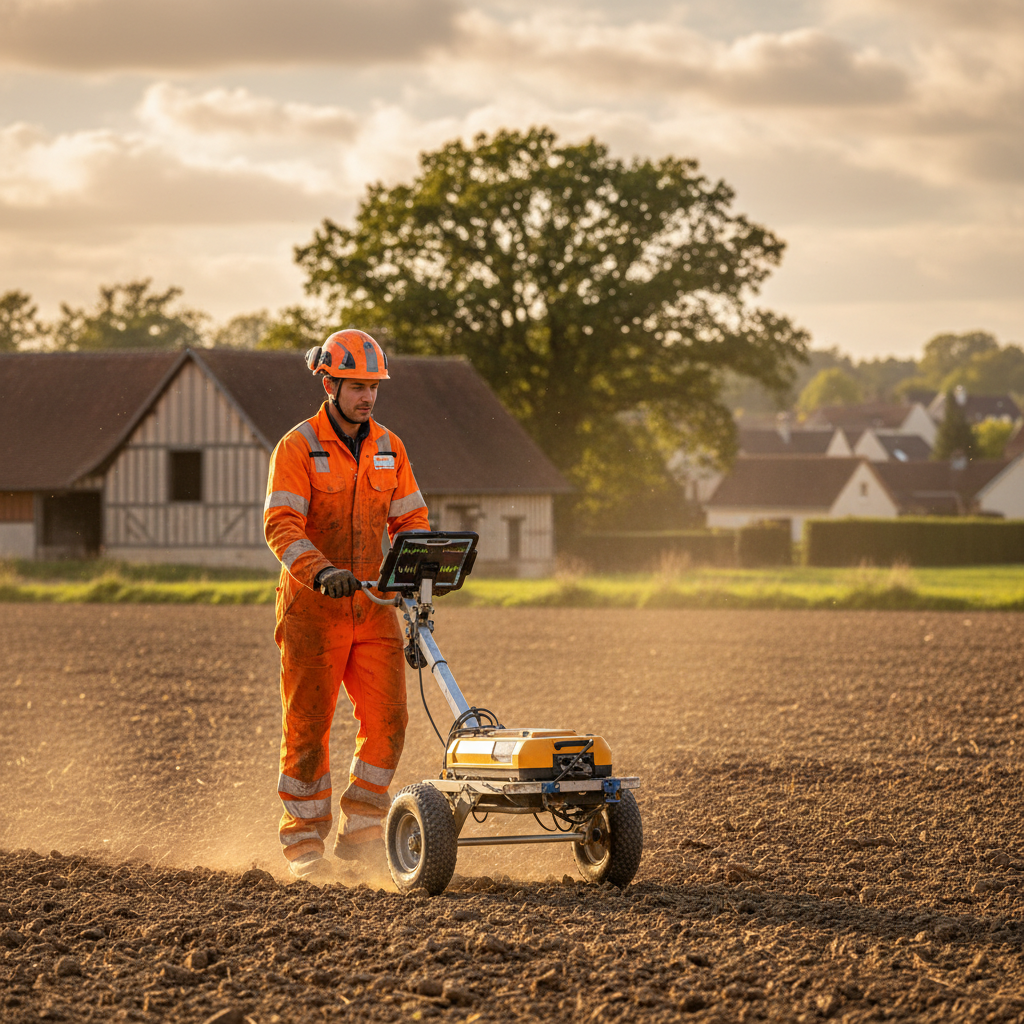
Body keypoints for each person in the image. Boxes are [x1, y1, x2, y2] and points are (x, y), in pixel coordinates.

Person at [263, 329, 430, 879]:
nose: (368, 396)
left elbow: (411, 519)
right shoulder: (297, 447)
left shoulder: (391, 447)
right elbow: (281, 524)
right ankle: (304, 845)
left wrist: (413, 570)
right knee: (308, 726)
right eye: (357, 386)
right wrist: (320, 570)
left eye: (373, 387)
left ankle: (360, 836)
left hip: (375, 606)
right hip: (314, 609)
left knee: (390, 720)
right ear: (329, 383)